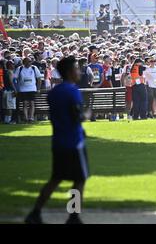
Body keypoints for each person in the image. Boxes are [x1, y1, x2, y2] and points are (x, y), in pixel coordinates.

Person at [25, 56, 90, 224]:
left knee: (55, 178)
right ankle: (73, 216)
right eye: (77, 68)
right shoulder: (72, 91)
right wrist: (87, 115)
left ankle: (35, 212)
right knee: (79, 180)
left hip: (58, 141)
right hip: (74, 142)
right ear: (70, 72)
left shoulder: (54, 92)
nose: (79, 71)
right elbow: (77, 116)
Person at [14, 57, 42, 123]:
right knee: (25, 104)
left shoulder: (34, 68)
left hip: (32, 88)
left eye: (29, 61)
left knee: (32, 103)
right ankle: (26, 118)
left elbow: (39, 79)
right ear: (24, 62)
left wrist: (38, 89)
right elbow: (15, 78)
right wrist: (17, 88)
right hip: (23, 89)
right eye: (27, 61)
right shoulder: (20, 68)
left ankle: (31, 118)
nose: (28, 63)